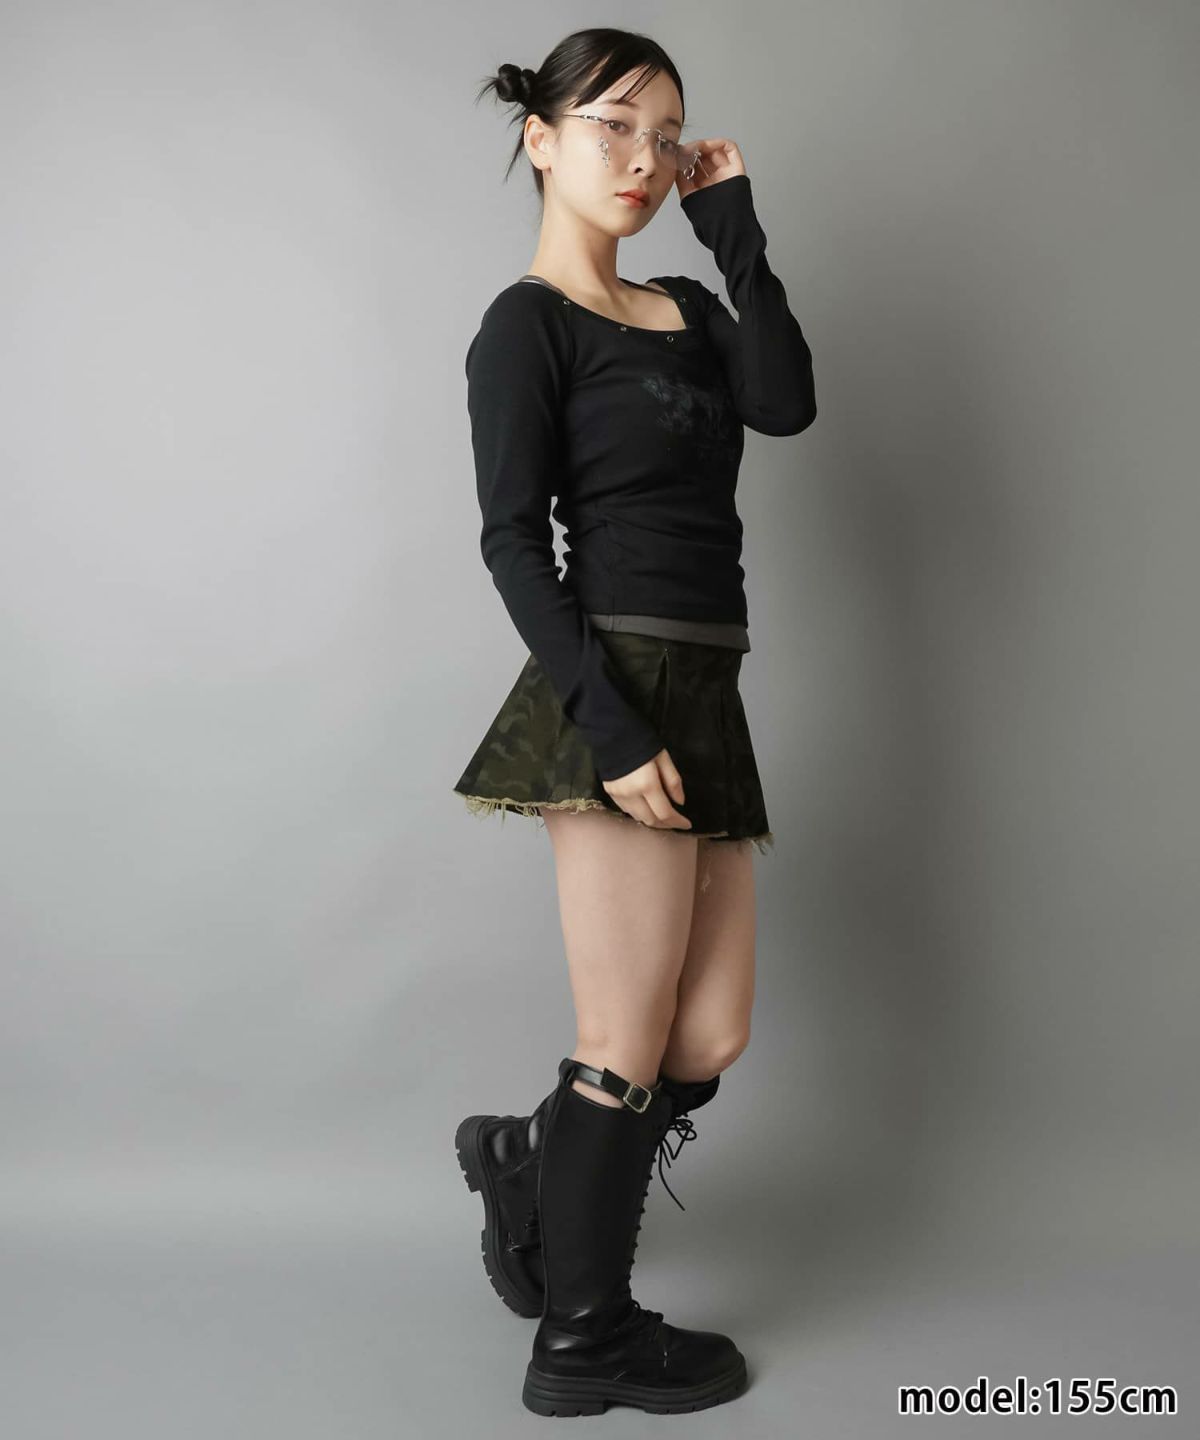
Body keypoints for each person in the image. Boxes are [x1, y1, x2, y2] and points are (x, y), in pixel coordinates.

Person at [450, 27, 816, 1418]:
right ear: (541, 139)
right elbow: (510, 543)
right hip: (613, 687)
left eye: (665, 136)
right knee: (623, 1032)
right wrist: (607, 728)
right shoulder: (524, 326)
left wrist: (736, 233)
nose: (644, 160)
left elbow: (784, 404)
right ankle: (584, 1340)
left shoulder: (686, 306)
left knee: (703, 1039)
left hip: (709, 683)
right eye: (613, 126)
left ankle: (527, 1164)